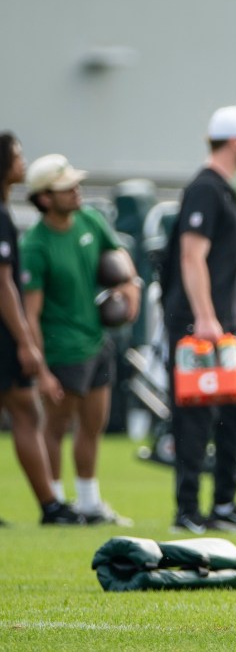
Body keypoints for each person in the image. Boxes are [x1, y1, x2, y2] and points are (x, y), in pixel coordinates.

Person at [160, 105, 236, 534]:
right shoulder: (206, 188)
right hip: (197, 325)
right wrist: (205, 317)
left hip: (220, 322)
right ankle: (187, 511)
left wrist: (228, 315)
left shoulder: (224, 189)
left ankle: (224, 504)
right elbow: (192, 256)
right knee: (194, 417)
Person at [20, 153, 139, 526]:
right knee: (55, 428)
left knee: (93, 424)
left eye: (75, 184)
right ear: (43, 198)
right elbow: (31, 314)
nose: (75, 190)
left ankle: (89, 504)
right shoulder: (35, 246)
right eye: (64, 187)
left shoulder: (90, 219)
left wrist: (130, 287)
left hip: (95, 340)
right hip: (61, 349)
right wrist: (42, 371)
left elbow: (118, 256)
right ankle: (55, 504)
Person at [0, 134, 85, 526]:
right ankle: (51, 505)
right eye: (16, 156)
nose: (22, 161)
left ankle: (52, 503)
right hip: (5, 334)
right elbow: (4, 285)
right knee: (28, 413)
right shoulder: (3, 218)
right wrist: (25, 343)